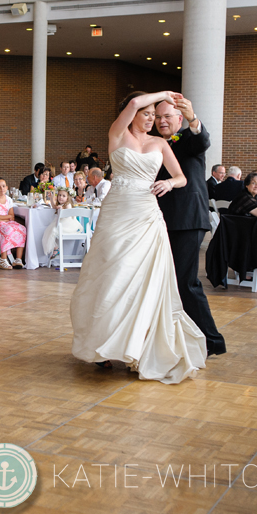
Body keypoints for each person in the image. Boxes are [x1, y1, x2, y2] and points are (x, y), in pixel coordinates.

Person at [71, 90, 207, 384]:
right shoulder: (117, 135)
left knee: (146, 281)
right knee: (112, 276)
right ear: (134, 114)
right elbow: (133, 102)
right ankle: (102, 344)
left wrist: (169, 183)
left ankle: (140, 346)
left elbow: (182, 176)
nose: (152, 120)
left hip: (148, 216)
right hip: (117, 214)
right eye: (148, 114)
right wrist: (162, 94)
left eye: (155, 116)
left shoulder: (160, 144)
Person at [152, 93, 225, 358]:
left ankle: (212, 341)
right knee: (162, 282)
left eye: (167, 116)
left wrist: (194, 118)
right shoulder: (152, 144)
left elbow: (202, 140)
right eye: (158, 117)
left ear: (179, 118)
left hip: (187, 219)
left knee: (186, 282)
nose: (161, 121)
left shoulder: (188, 139)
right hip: (158, 220)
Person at [0, 178, 26, 270]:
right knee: (7, 229)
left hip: (4, 222)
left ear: (7, 188)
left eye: (3, 186)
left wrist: (5, 218)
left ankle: (18, 259)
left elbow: (12, 216)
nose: (1, 189)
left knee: (22, 228)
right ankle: (3, 259)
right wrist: (6, 217)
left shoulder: (9, 199)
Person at [42, 188, 84, 259]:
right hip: (62, 224)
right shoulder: (61, 204)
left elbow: (67, 213)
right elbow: (54, 206)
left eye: (63, 196)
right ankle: (56, 248)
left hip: (69, 225)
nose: (61, 197)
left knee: (53, 231)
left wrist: (62, 209)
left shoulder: (68, 204)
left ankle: (56, 249)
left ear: (68, 198)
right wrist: (52, 198)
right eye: (59, 195)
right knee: (51, 230)